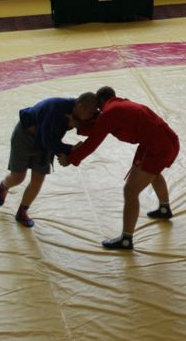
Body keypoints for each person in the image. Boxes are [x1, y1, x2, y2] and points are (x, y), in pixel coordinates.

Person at [62, 86, 180, 250]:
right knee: (152, 173)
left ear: (101, 102)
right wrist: (79, 126)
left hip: (158, 147)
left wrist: (70, 159)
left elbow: (93, 141)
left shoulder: (110, 112)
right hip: (162, 142)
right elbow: (102, 127)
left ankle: (126, 239)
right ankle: (164, 208)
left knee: (130, 191)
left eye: (96, 110)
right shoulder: (119, 105)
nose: (96, 113)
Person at [0, 93, 99, 228]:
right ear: (80, 106)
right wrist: (70, 149)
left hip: (44, 144)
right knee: (18, 177)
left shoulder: (79, 112)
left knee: (38, 180)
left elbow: (94, 129)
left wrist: (77, 125)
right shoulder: (57, 108)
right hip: (25, 137)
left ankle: (22, 211)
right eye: (90, 113)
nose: (90, 116)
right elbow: (47, 140)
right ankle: (4, 186)